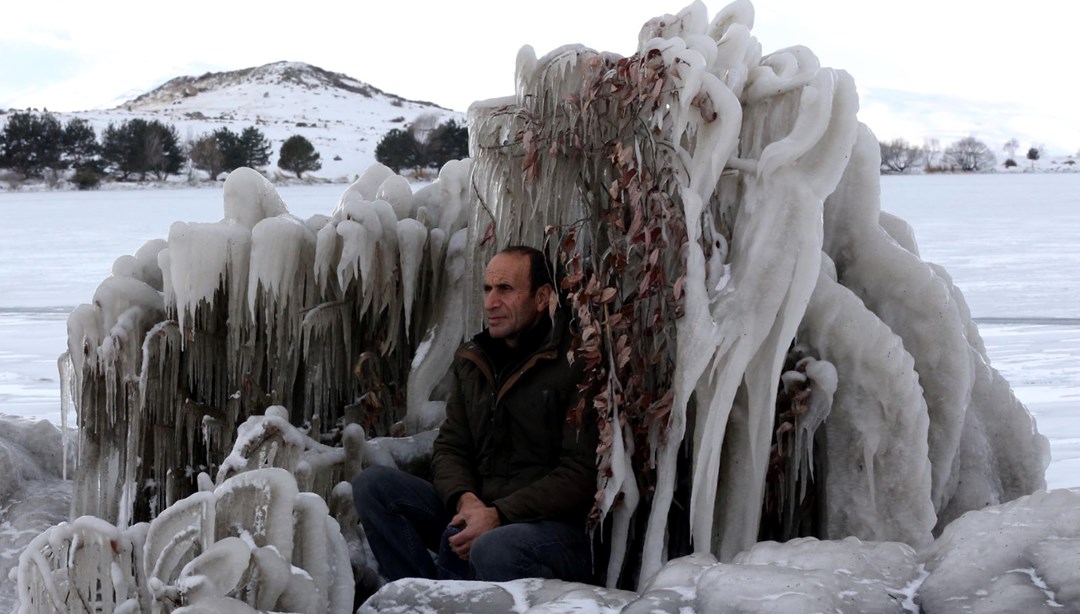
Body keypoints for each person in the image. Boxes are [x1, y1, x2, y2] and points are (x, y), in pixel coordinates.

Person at [352, 245, 598, 585]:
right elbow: (450, 447)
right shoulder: (474, 361)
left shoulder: (574, 362)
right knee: (374, 487)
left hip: (548, 529)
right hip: (478, 509)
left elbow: (580, 474)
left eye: (505, 289)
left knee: (494, 548)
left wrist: (499, 515)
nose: (490, 302)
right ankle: (422, 597)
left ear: (542, 297)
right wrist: (465, 500)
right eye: (487, 289)